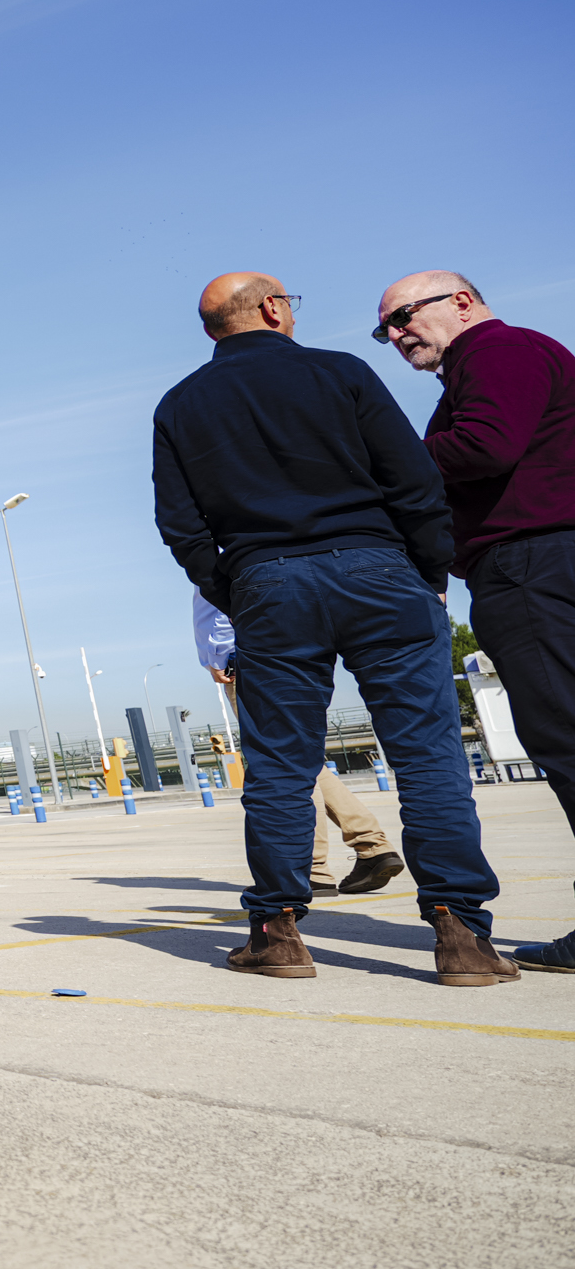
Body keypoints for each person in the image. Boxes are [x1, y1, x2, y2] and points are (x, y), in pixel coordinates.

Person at [152, 273, 515, 986]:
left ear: (211, 331)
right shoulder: (340, 372)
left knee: (282, 764)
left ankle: (278, 931)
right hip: (381, 570)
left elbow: (180, 525)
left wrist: (235, 587)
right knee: (427, 755)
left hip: (267, 582)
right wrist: (430, 566)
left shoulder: (180, 404)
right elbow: (411, 477)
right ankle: (462, 936)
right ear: (274, 308)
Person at [374, 271, 575, 973]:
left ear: (461, 301)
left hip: (532, 568)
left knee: (567, 739)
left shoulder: (494, 352)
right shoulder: (503, 359)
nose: (396, 334)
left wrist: (386, 467)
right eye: (385, 328)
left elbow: (487, 445)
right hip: (543, 559)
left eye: (403, 316)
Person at [194, 594, 404, 897]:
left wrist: (220, 656)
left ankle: (314, 869)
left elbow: (215, 608)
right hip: (292, 654)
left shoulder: (223, 549)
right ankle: (372, 846)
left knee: (286, 762)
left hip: (249, 660)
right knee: (301, 760)